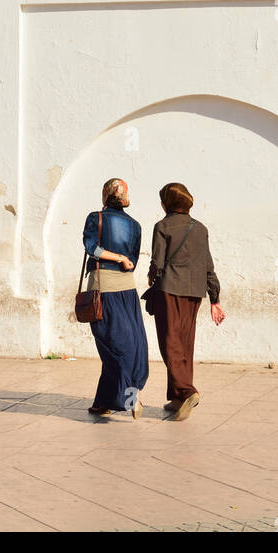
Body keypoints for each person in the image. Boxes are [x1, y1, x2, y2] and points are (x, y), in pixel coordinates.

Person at [147, 182, 225, 421]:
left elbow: (157, 264)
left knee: (170, 343)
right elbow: (208, 265)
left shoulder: (162, 226)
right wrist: (215, 298)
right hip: (195, 292)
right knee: (184, 342)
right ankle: (177, 398)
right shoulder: (200, 228)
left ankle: (188, 391)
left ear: (166, 204)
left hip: (170, 290)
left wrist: (151, 280)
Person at [82, 177, 149, 419]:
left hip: (103, 288)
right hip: (127, 290)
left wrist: (117, 258)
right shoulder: (136, 225)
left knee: (112, 345)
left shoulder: (95, 218)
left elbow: (92, 248)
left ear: (106, 195)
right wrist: (122, 258)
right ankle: (104, 402)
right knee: (126, 342)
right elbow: (132, 263)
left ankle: (129, 398)